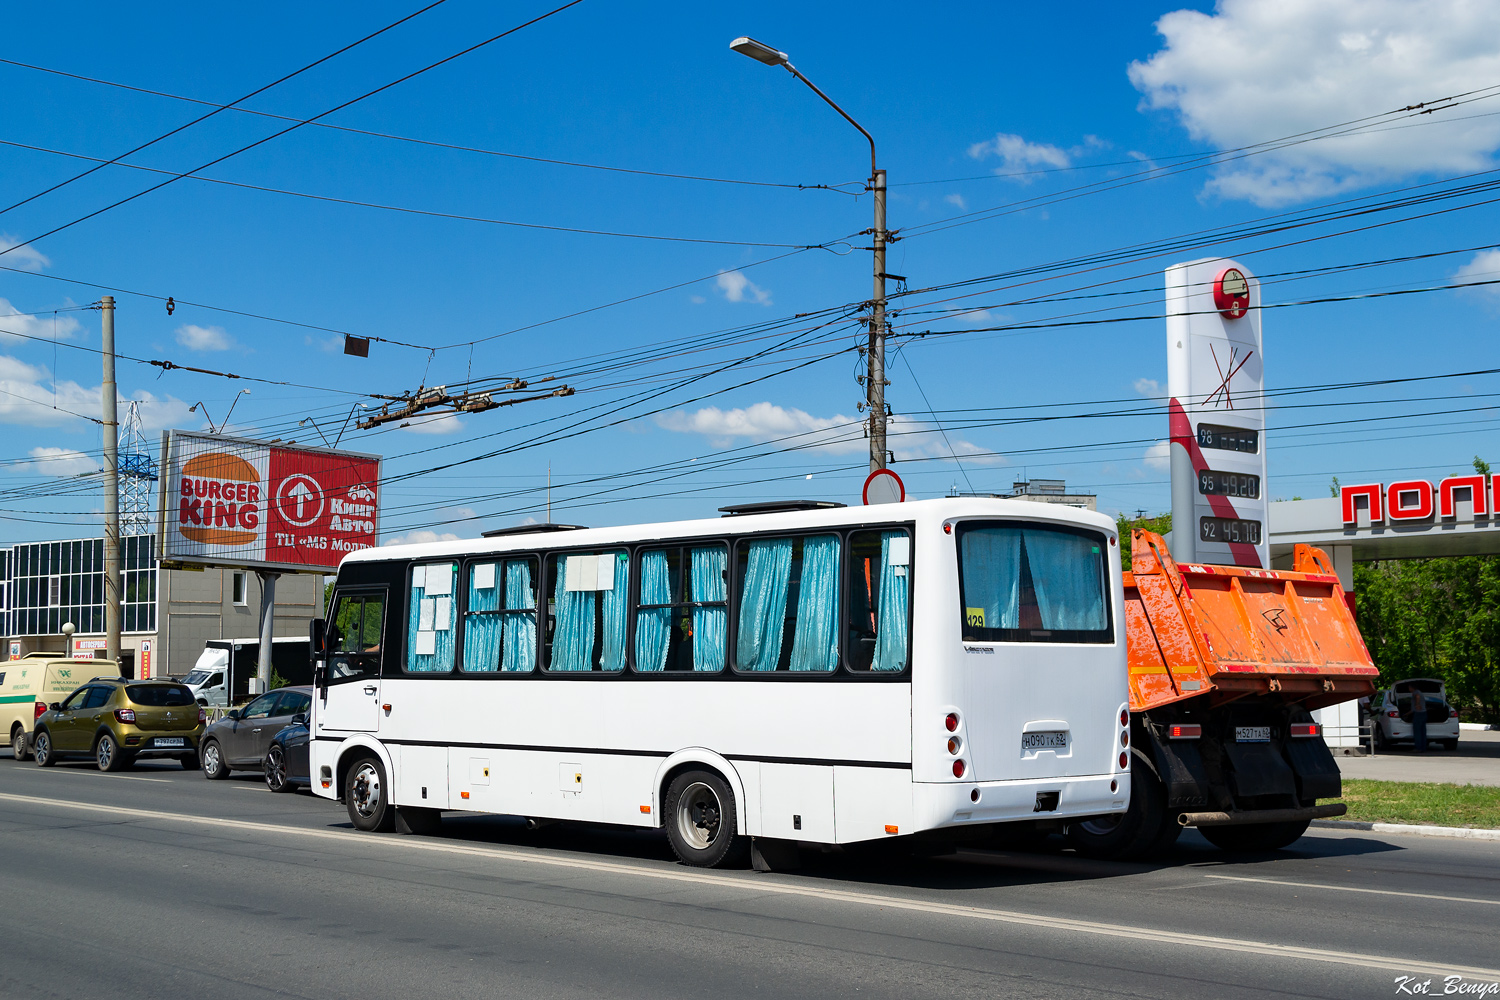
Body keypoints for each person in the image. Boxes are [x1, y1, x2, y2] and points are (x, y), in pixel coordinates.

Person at [1411, 687, 1428, 753]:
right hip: (1423, 713)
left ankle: (1418, 747)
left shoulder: (1416, 692)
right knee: (1423, 731)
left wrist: (1417, 704)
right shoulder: (1420, 692)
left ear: (1411, 687)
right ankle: (1423, 747)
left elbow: (1417, 696)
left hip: (1418, 714)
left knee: (1417, 731)